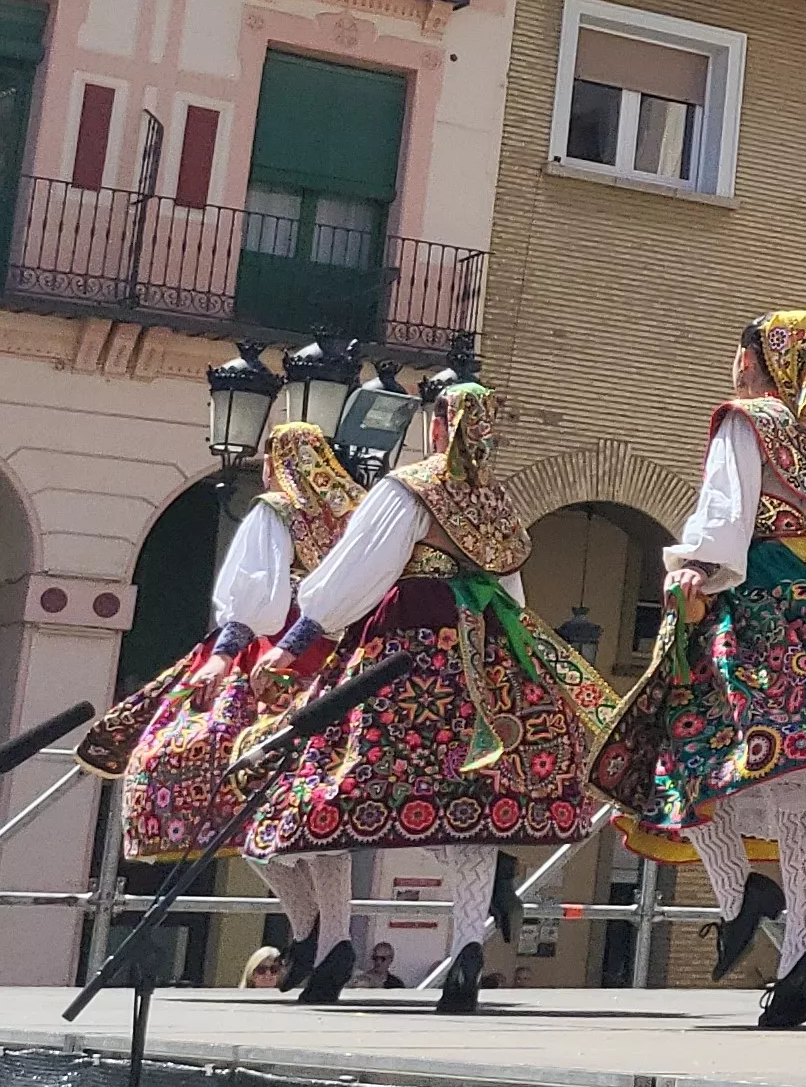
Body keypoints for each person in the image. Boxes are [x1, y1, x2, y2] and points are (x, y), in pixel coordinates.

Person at [589, 310, 806, 1030]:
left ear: (751, 360)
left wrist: (693, 574)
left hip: (752, 597)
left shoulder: (743, 419)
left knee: (682, 753)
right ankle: (802, 948)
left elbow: (726, 509)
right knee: (797, 772)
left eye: (739, 355)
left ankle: (745, 901)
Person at [250, 383, 615, 1014]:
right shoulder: (496, 503)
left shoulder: (409, 487)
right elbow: (512, 595)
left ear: (442, 427)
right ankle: (467, 952)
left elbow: (359, 570)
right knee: (473, 810)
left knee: (323, 784)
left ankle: (333, 940)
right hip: (487, 661)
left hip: (405, 655)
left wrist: (302, 636)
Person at [77, 422, 368, 1001]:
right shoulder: (360, 513)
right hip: (345, 669)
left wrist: (226, 653)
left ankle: (320, 933)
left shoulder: (276, 510)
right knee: (311, 808)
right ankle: (322, 934)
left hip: (272, 666)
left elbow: (251, 593)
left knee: (221, 791)